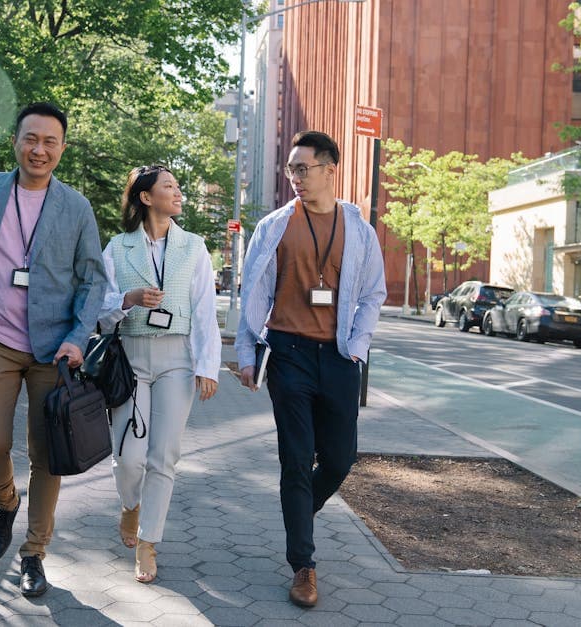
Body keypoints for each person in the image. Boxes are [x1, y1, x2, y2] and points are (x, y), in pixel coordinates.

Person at [0, 102, 106, 598]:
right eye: (31, 138)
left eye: (50, 141)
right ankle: (6, 502)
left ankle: (34, 553)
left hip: (54, 351)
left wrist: (78, 337)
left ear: (62, 149)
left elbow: (93, 278)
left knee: (47, 455)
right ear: (15, 140)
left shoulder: (75, 207)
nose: (39, 149)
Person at [235, 131, 386, 608]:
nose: (296, 178)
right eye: (291, 170)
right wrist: (245, 353)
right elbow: (253, 293)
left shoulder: (359, 229)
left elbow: (373, 294)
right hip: (289, 354)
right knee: (296, 461)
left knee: (340, 459)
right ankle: (303, 564)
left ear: (329, 169)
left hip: (339, 356)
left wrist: (357, 346)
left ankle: (299, 508)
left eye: (303, 168)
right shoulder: (275, 225)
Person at [98, 165, 220, 584]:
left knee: (163, 455)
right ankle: (130, 505)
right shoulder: (116, 247)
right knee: (129, 457)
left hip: (177, 361)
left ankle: (148, 542)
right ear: (146, 198)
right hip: (130, 358)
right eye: (169, 186)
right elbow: (99, 310)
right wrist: (129, 299)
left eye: (179, 186)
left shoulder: (194, 247)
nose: (178, 192)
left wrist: (208, 366)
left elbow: (205, 311)